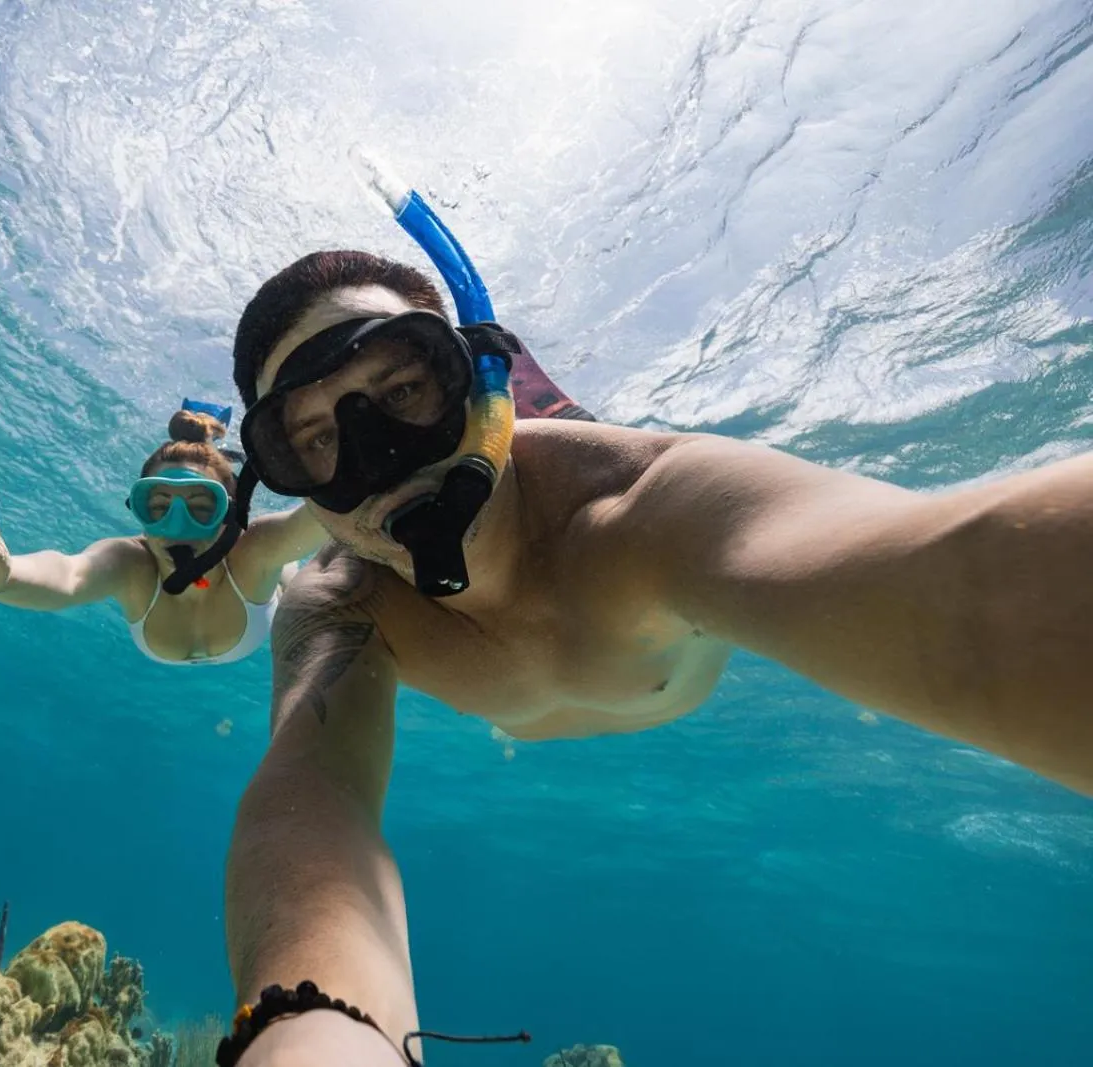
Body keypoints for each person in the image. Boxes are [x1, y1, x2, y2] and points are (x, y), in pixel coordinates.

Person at [208, 249, 1093, 1066]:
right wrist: (317, 1031)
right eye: (314, 440)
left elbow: (935, 571)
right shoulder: (343, 602)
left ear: (474, 379)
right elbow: (310, 803)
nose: (381, 461)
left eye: (404, 387)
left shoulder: (646, 514)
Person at [0, 404, 326, 666]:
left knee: (296, 573)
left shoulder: (252, 548)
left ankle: (294, 578)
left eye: (201, 507)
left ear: (228, 515)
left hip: (262, 578)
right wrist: (4, 578)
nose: (177, 526)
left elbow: (319, 516)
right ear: (138, 513)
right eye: (158, 507)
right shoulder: (131, 564)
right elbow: (70, 574)